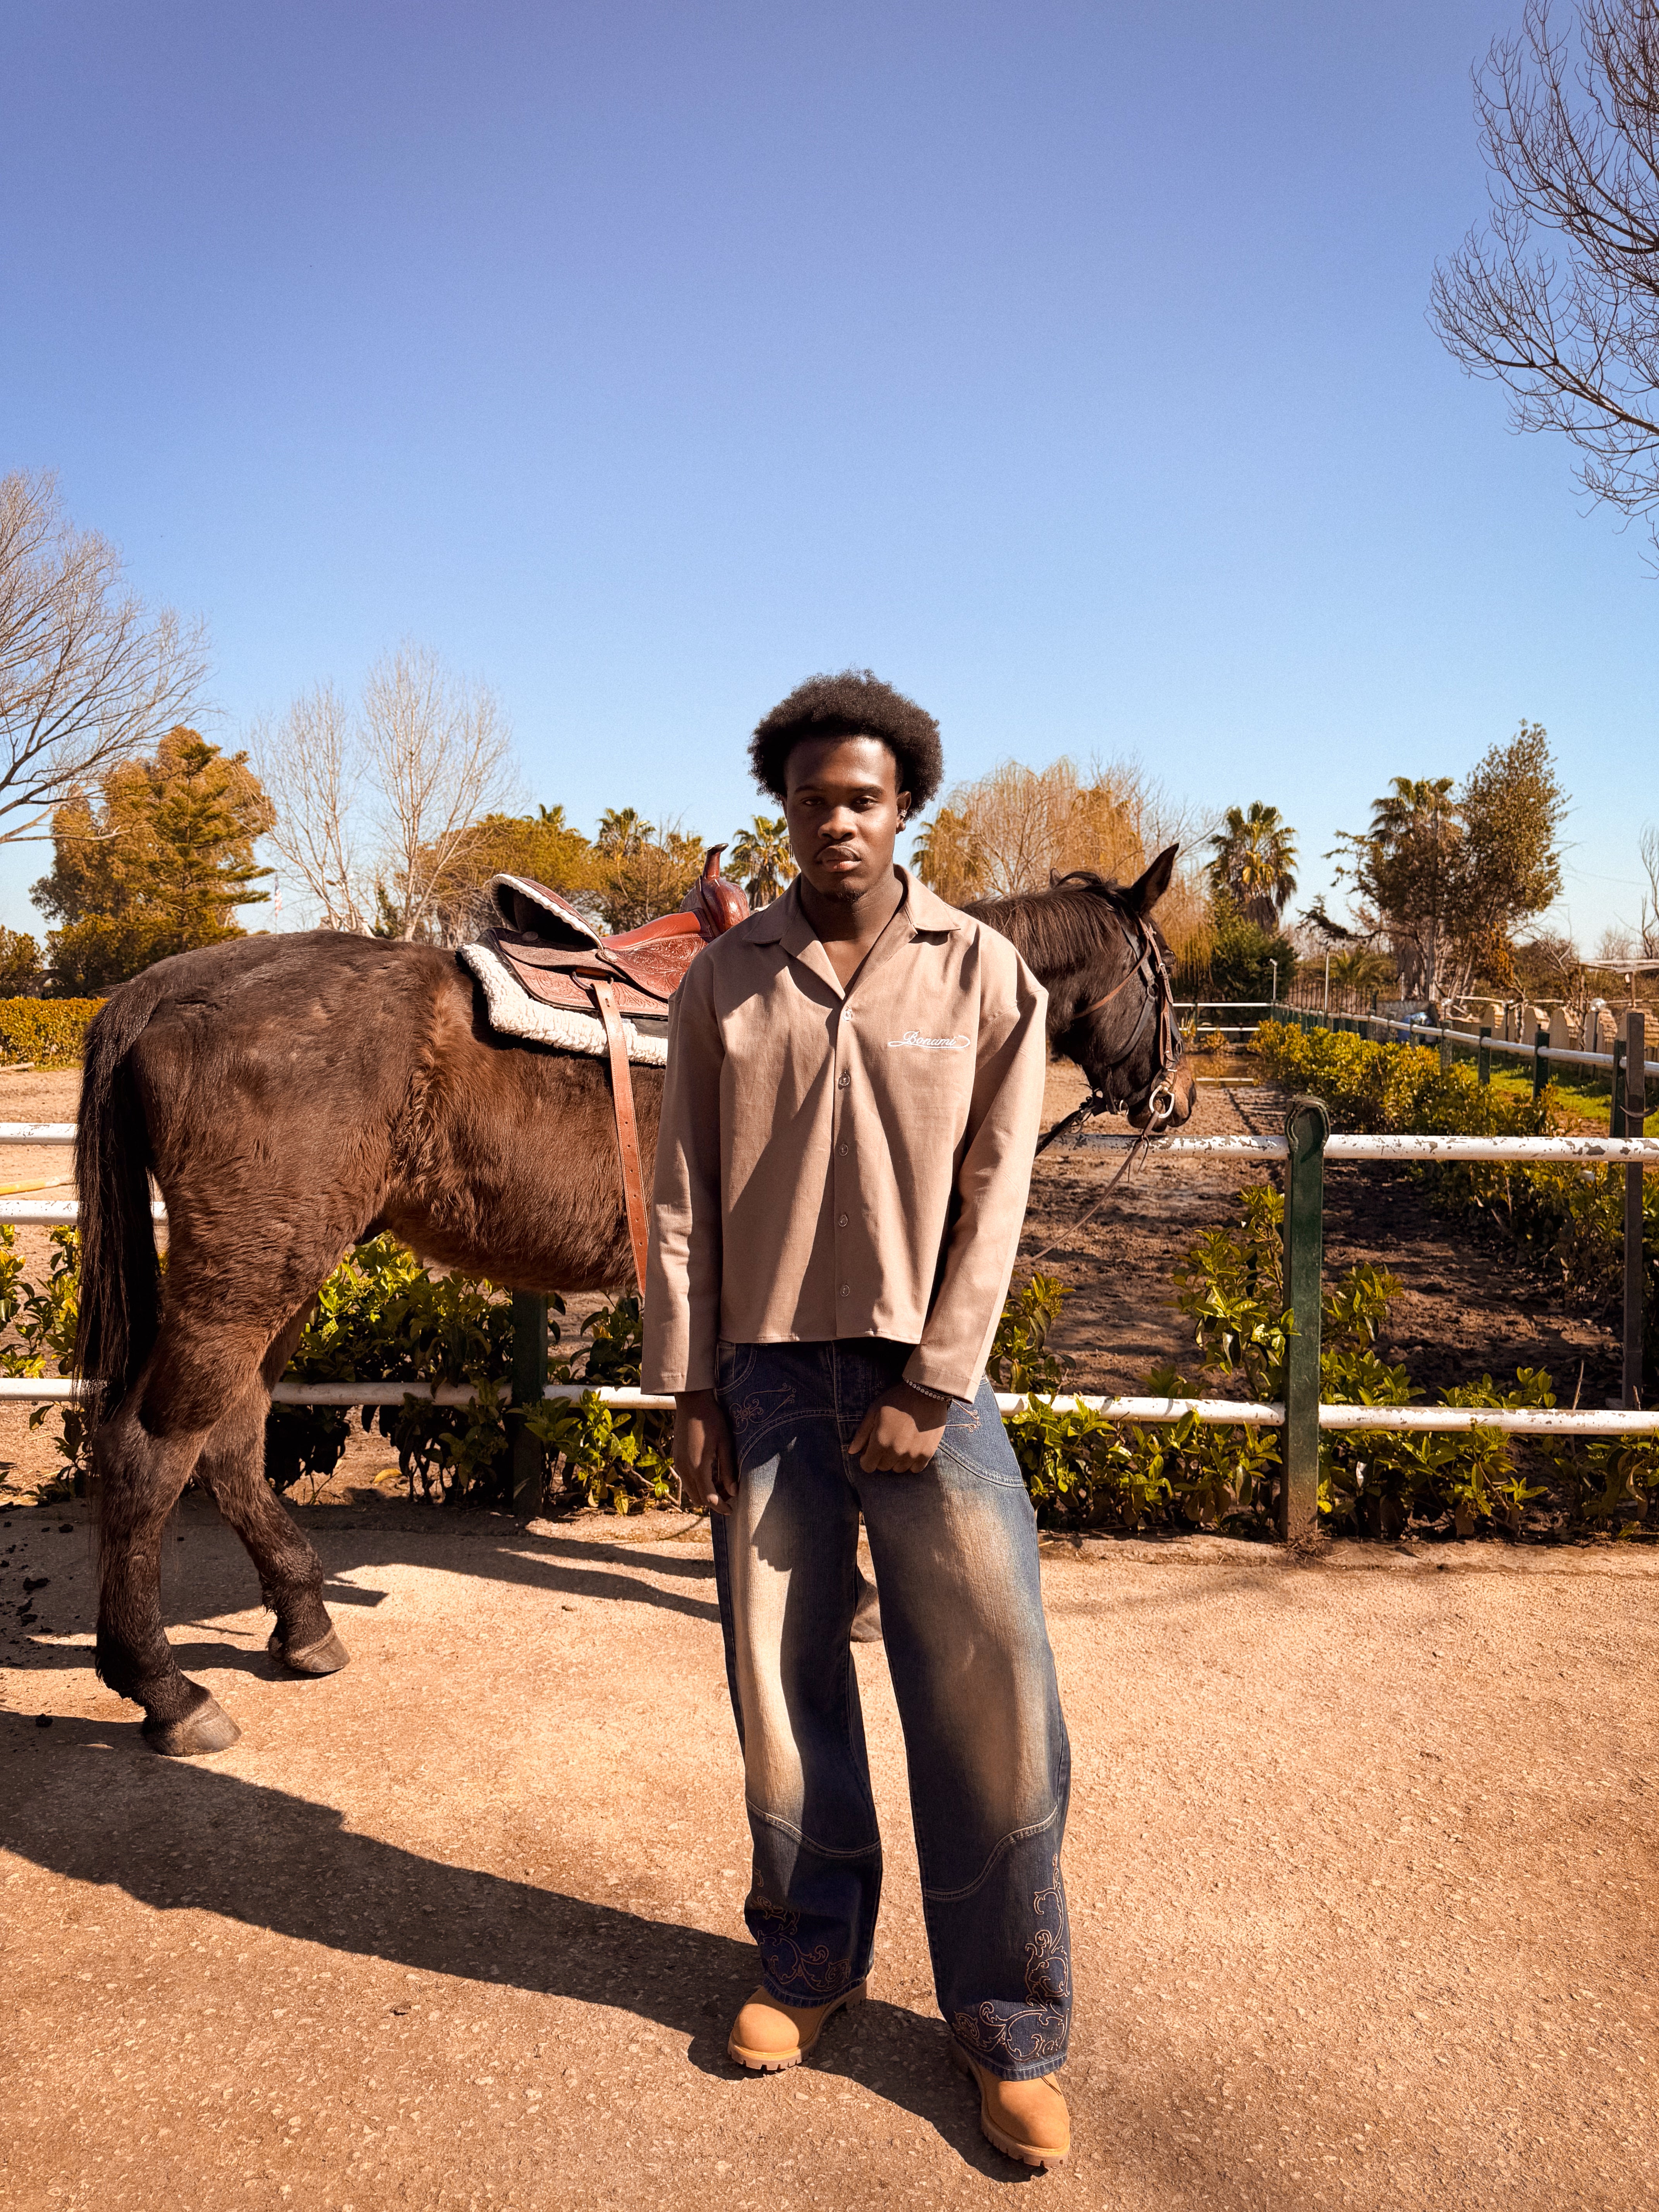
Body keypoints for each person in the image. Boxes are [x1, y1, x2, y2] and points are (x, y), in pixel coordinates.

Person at [644, 670, 1072, 2171]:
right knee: (782, 1689)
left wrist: (933, 1383)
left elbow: (997, 1190)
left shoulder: (980, 975)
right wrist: (690, 1386)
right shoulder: (724, 983)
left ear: (905, 811)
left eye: (865, 799)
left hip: (921, 1382)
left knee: (991, 1690)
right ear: (783, 808)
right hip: (763, 1379)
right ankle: (808, 1960)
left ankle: (1009, 2022)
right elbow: (681, 1198)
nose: (838, 821)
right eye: (814, 798)